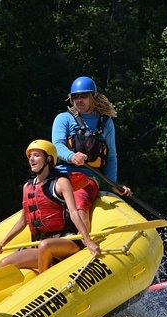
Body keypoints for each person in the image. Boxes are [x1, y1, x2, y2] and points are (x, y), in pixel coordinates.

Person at [0, 140, 101, 273]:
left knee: (45, 246)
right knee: (5, 263)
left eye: (36, 155)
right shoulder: (27, 187)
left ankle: (43, 278)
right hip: (42, 245)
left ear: (48, 159)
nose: (31, 159)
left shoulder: (61, 182)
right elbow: (23, 221)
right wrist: (3, 243)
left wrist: (88, 240)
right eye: (30, 156)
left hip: (67, 241)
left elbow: (73, 212)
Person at [52, 76, 132, 230]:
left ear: (93, 97)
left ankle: (85, 241)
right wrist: (71, 156)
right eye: (75, 96)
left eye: (84, 96)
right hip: (62, 175)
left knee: (80, 198)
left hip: (88, 178)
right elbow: (57, 146)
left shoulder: (106, 123)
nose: (79, 100)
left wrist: (111, 184)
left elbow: (111, 156)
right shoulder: (64, 119)